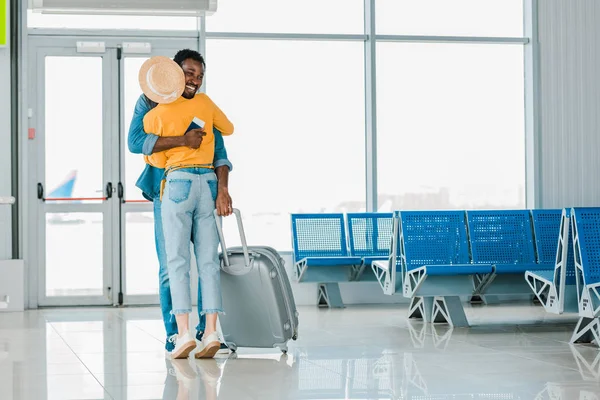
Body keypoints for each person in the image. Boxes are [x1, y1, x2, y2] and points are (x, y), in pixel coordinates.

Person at [127, 50, 233, 358]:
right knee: (170, 265)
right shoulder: (150, 100)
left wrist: (223, 188)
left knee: (204, 262)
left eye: (199, 76)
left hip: (202, 185)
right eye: (189, 73)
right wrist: (182, 141)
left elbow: (220, 150)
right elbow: (135, 142)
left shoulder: (202, 106)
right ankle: (175, 334)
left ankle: (204, 333)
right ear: (174, 71)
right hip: (165, 187)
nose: (194, 81)